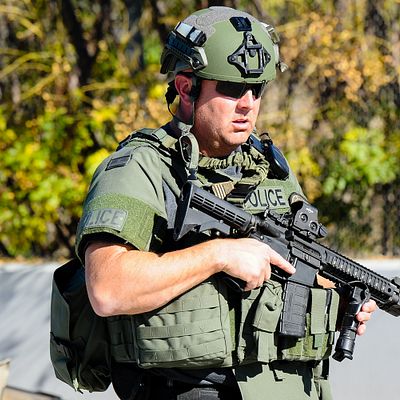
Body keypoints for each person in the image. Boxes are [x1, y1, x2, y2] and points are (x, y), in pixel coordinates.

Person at [75, 6, 377, 400]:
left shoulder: (271, 168)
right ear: (186, 87)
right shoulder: (141, 166)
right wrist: (219, 254)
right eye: (232, 89)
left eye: (257, 89)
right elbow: (108, 288)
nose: (248, 104)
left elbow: (291, 271)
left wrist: (333, 299)